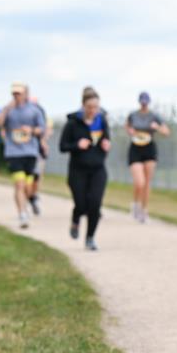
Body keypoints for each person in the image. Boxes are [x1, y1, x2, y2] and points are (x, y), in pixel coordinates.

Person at [59, 87, 111, 251]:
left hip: (98, 169)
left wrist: (106, 144)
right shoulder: (73, 123)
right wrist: (77, 145)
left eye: (95, 107)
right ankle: (75, 219)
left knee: (95, 204)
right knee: (81, 205)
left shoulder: (101, 121)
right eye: (89, 108)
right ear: (83, 106)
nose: (92, 111)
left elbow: (106, 139)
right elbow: (62, 146)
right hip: (78, 170)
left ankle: (90, 238)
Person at [0, 83, 46, 229]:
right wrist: (5, 109)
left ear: (25, 94)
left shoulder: (34, 110)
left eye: (19, 93)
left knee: (28, 187)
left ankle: (31, 199)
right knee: (19, 184)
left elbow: (42, 130)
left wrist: (31, 130)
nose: (16, 96)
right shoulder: (8, 110)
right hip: (13, 152)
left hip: (30, 152)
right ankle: (22, 214)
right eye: (14, 93)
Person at [126, 91, 170, 223]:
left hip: (149, 148)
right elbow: (127, 127)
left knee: (147, 183)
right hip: (135, 148)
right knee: (139, 182)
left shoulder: (154, 116)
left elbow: (166, 132)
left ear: (148, 102)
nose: (144, 105)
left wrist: (157, 127)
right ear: (139, 102)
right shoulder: (133, 115)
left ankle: (144, 211)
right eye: (142, 102)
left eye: (146, 102)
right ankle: (135, 204)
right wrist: (130, 131)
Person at [25, 88, 52, 216]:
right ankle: (29, 198)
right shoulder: (22, 116)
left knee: (36, 176)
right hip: (24, 151)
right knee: (26, 178)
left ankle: (33, 196)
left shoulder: (42, 115)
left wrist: (44, 143)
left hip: (38, 150)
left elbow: (46, 131)